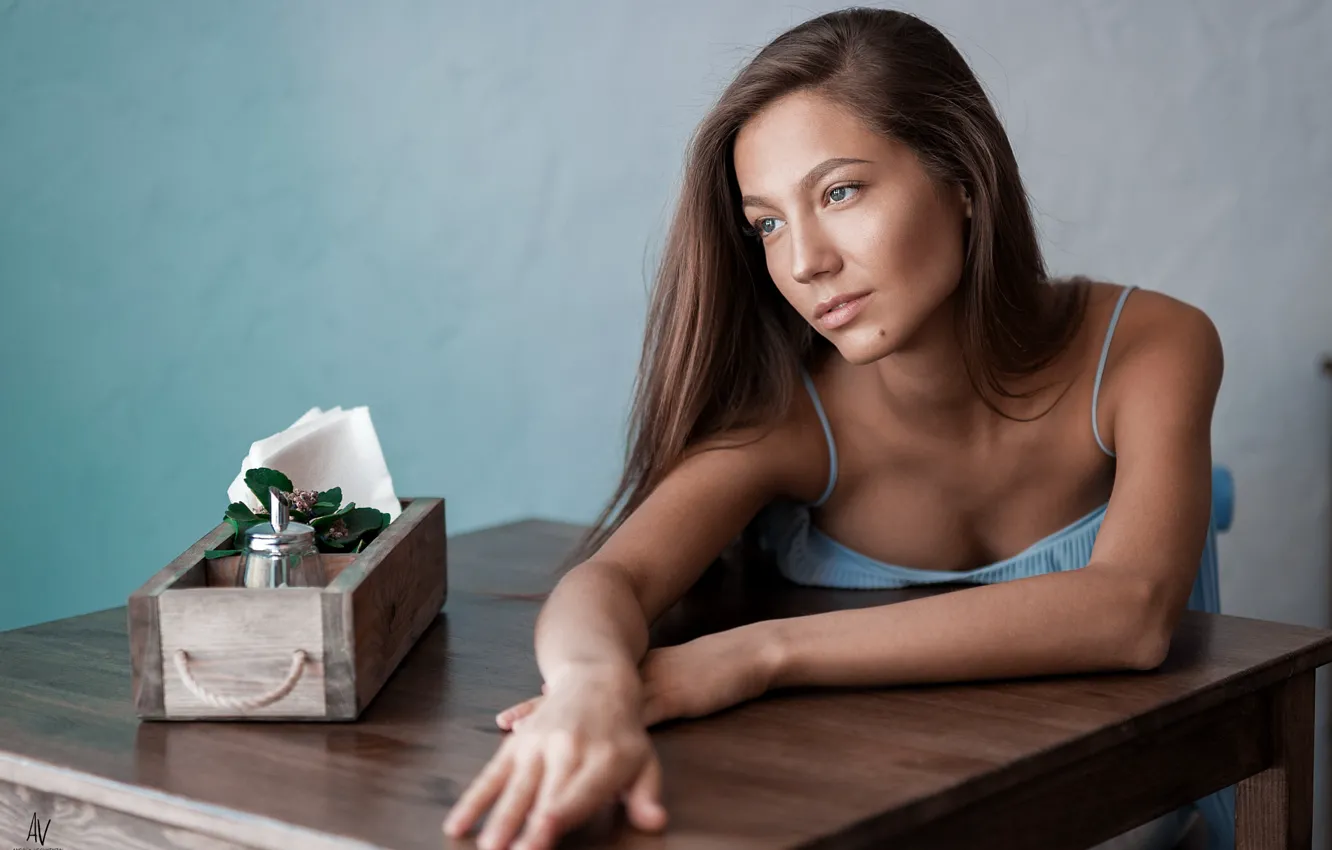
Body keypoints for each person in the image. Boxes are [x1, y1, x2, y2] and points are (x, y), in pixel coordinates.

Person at [443, 8, 1230, 850]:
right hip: (904, 815)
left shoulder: (1152, 346)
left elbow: (1132, 614)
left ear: (964, 178)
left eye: (839, 191)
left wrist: (756, 655)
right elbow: (609, 583)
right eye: (768, 224)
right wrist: (591, 683)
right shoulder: (792, 420)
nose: (804, 261)